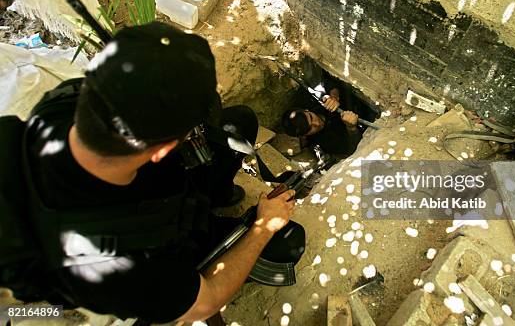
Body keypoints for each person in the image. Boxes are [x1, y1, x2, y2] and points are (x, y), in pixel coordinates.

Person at [22, 22, 305, 324]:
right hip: (169, 245)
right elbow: (205, 301)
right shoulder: (127, 260)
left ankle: (219, 197)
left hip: (163, 198)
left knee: (238, 122)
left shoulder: (63, 103)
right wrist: (263, 227)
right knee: (287, 240)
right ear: (161, 151)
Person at [282, 89, 363, 158]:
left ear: (307, 110)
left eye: (311, 117)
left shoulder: (314, 101)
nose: (317, 123)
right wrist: (351, 128)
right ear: (304, 136)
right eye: (311, 128)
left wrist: (334, 96)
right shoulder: (325, 142)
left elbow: (329, 81)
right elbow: (354, 148)